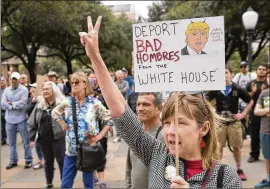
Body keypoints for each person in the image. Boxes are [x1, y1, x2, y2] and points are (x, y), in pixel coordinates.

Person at [78, 15, 242, 188]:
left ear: (204, 128)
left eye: (181, 123)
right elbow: (121, 112)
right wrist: (95, 57)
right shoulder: (157, 154)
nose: (170, 131)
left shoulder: (226, 178)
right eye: (167, 123)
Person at [51, 71, 114, 188]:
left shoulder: (95, 103)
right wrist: (62, 123)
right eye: (72, 82)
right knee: (65, 184)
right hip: (71, 150)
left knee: (88, 185)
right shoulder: (67, 102)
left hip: (88, 150)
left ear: (85, 84)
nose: (73, 85)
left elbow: (109, 119)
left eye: (77, 82)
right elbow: (54, 112)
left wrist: (100, 135)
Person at [206, 65, 253, 181]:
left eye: (226, 72)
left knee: (236, 147)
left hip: (234, 122)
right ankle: (218, 170)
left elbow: (250, 101)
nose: (224, 75)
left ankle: (239, 168)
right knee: (218, 147)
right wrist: (213, 114)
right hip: (220, 122)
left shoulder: (237, 88)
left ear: (231, 74)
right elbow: (205, 102)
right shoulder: (215, 88)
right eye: (221, 73)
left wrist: (243, 114)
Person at [27, 81, 66, 188]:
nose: (45, 91)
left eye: (47, 89)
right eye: (43, 89)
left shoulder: (61, 104)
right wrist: (31, 138)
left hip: (59, 137)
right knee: (48, 161)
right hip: (44, 138)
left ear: (53, 90)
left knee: (61, 161)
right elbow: (32, 122)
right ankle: (49, 182)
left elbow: (69, 120)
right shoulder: (40, 105)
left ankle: (65, 183)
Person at [126, 92, 164, 188]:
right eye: (138, 104)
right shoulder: (135, 133)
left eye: (146, 104)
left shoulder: (165, 136)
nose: (140, 108)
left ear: (159, 109)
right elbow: (129, 168)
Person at [1, 72, 32, 169]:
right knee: (11, 142)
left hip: (21, 119)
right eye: (12, 79)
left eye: (15, 79)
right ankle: (13, 160)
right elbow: (3, 104)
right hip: (9, 119)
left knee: (25, 141)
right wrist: (14, 105)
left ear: (18, 80)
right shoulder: (6, 90)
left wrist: (11, 104)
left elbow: (23, 103)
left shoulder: (24, 90)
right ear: (10, 79)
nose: (14, 81)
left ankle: (28, 160)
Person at [246, 64, 267, 163]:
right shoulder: (251, 84)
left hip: (266, 114)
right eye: (260, 69)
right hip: (254, 114)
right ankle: (254, 155)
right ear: (256, 71)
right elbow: (246, 98)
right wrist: (252, 92)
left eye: (264, 69)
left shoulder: (268, 84)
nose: (261, 71)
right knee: (254, 135)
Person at [254, 70, 270, 188]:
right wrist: (267, 110)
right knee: (268, 157)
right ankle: (268, 179)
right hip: (266, 131)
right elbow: (256, 111)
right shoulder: (264, 93)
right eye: (268, 76)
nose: (269, 78)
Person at [233, 61, 257, 137]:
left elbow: (256, 83)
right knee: (241, 116)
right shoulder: (238, 75)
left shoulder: (251, 75)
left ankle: (248, 131)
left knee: (249, 116)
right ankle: (244, 132)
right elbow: (234, 84)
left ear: (248, 67)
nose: (243, 68)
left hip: (249, 97)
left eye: (245, 66)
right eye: (242, 67)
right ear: (240, 68)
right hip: (240, 98)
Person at [26, 83, 45, 170]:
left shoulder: (44, 99)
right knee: (37, 144)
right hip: (33, 125)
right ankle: (42, 160)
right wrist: (33, 102)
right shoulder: (31, 99)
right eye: (31, 91)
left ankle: (45, 160)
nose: (31, 92)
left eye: (34, 91)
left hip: (42, 125)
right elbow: (27, 110)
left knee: (42, 144)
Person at [1, 76, 8, 145]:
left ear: (6, 81)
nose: (1, 81)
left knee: (9, 126)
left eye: (3, 80)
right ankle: (3, 140)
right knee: (2, 127)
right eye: (0, 80)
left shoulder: (9, 90)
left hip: (8, 111)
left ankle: (10, 140)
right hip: (1, 111)